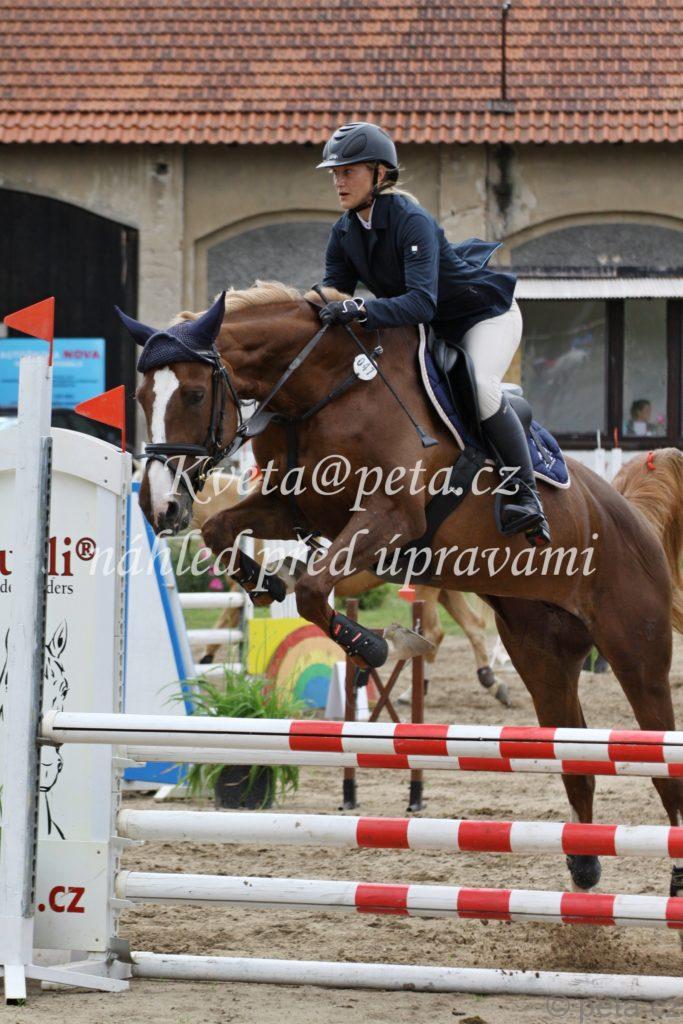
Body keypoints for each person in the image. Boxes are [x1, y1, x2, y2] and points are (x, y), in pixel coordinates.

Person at [317, 121, 549, 541]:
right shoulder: (344, 233)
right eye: (335, 173)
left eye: (348, 171)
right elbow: (334, 298)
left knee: (480, 386)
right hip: (431, 329)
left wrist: (360, 309)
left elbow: (421, 302)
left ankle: (525, 494)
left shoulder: (411, 220)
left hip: (483, 316)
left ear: (379, 174)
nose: (339, 181)